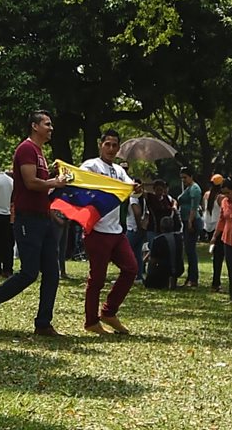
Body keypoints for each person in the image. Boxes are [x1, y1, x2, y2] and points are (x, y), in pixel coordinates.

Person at [0, 110, 69, 337]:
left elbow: (42, 186)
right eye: (47, 124)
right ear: (34, 126)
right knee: (29, 272)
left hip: (43, 218)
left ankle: (43, 323)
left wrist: (53, 208)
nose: (51, 128)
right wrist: (55, 182)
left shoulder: (40, 152)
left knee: (52, 272)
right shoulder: (26, 149)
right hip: (28, 218)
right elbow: (30, 183)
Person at [79, 129, 138, 335]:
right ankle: (91, 321)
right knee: (97, 278)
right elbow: (79, 183)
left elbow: (129, 185)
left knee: (131, 269)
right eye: (108, 144)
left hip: (116, 231)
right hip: (97, 229)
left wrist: (135, 188)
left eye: (114, 145)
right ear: (100, 144)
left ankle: (109, 312)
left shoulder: (119, 171)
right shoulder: (91, 165)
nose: (111, 149)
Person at [177, 166, 202, 287]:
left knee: (190, 251)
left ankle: (193, 278)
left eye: (185, 178)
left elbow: (194, 207)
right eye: (181, 178)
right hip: (186, 221)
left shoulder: (195, 189)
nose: (183, 180)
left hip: (192, 221)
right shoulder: (188, 188)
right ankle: (190, 277)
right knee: (188, 250)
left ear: (191, 177)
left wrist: (190, 222)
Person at [144, 216, 185, 289]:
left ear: (161, 227)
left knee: (153, 269)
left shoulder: (158, 240)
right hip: (179, 268)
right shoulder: (179, 238)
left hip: (164, 269)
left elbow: (153, 261)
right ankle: (172, 281)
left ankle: (163, 283)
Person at [204, 176, 226, 291]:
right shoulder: (221, 198)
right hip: (219, 229)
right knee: (219, 257)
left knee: (216, 257)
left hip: (209, 227)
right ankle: (215, 283)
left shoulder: (207, 195)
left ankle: (215, 282)